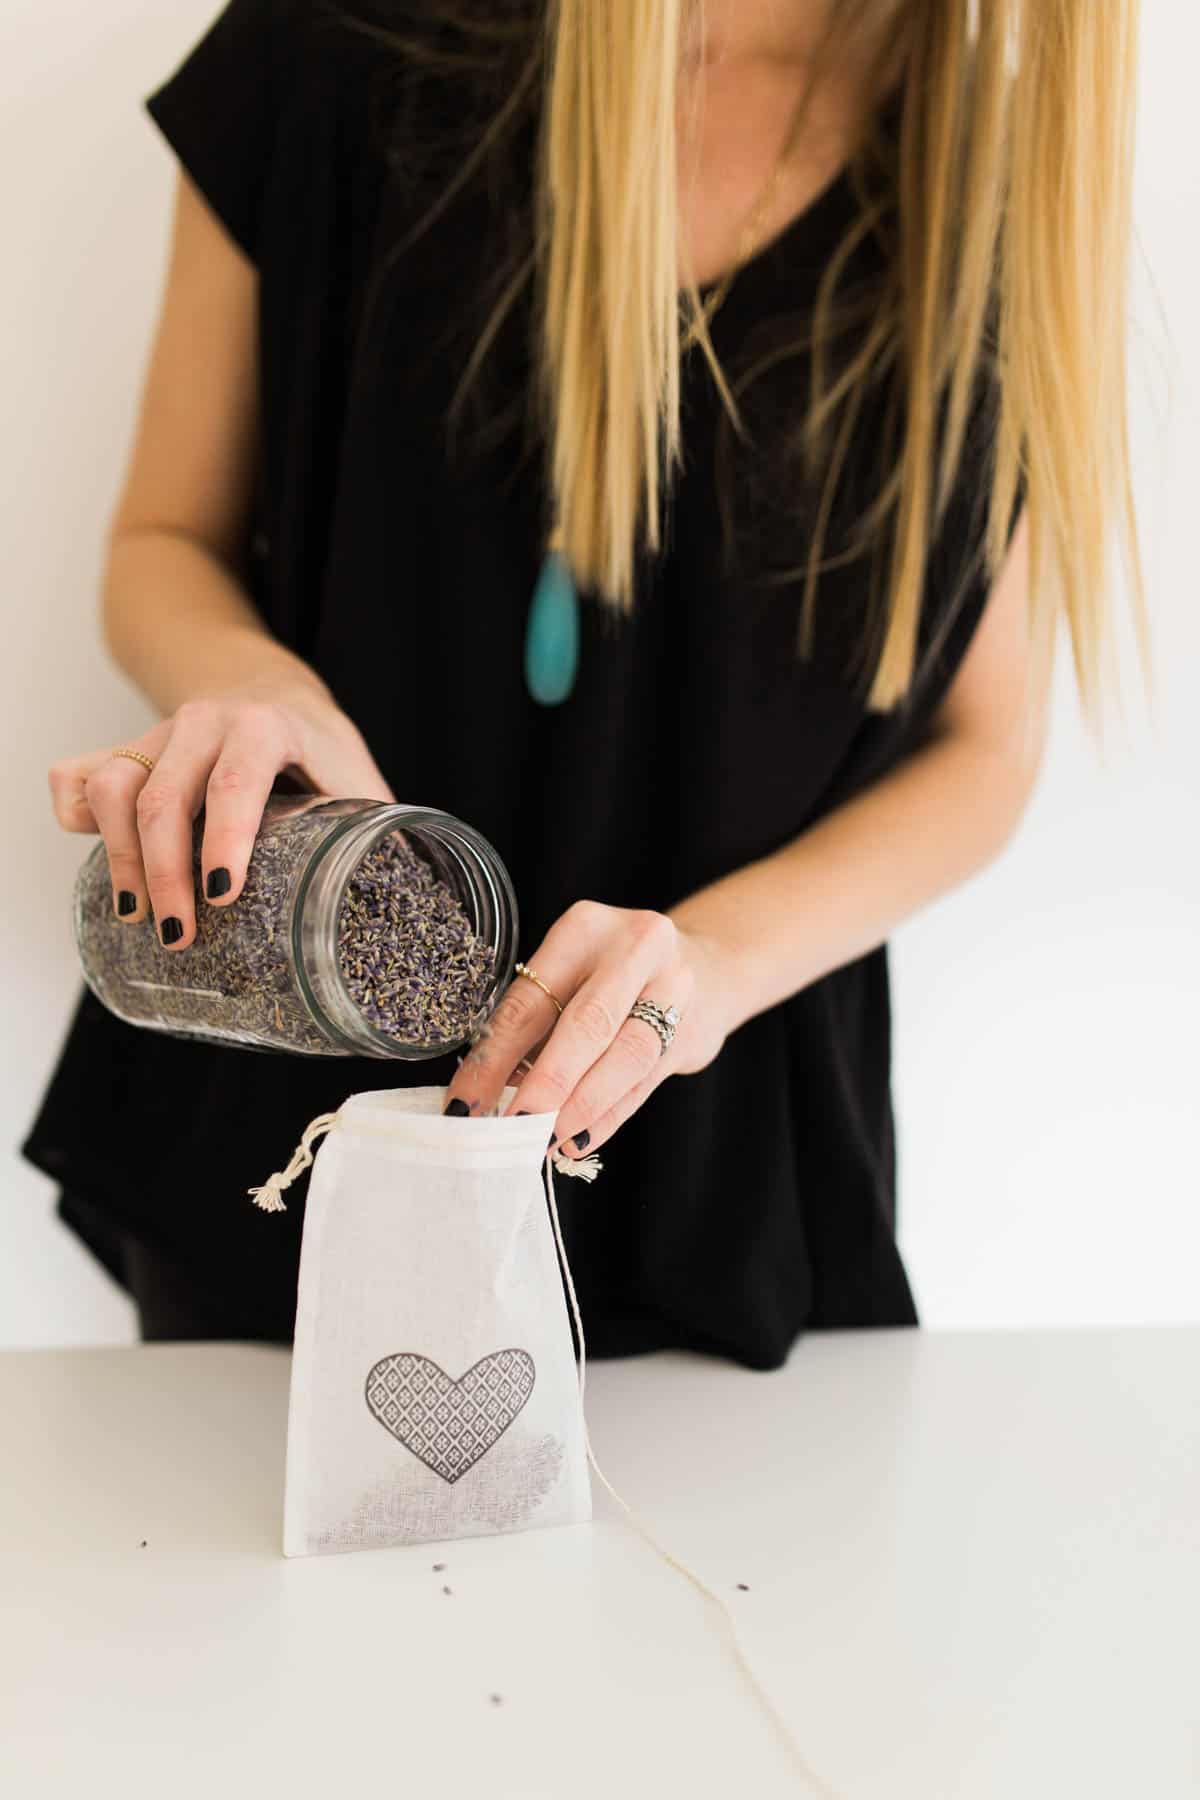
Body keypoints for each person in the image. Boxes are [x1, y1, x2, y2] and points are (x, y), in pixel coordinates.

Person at [23, 0, 1145, 1365]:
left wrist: (714, 968)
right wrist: (273, 699)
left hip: (727, 1192)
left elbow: (985, 749)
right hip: (284, 1123)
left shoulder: (995, 170)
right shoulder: (339, 42)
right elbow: (161, 545)